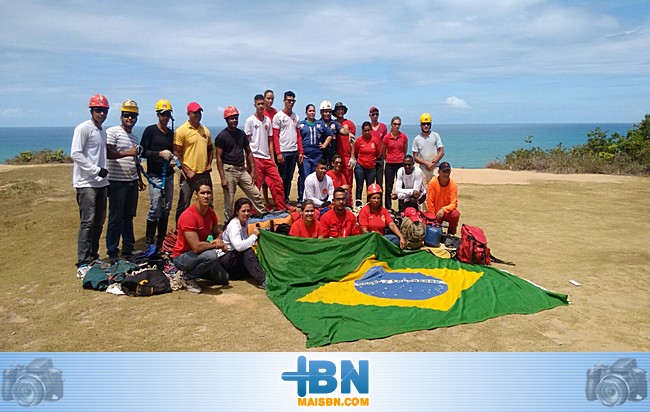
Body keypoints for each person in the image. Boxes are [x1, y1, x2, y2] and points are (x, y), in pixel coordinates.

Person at [71, 94, 110, 278]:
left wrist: (104, 175)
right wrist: (95, 170)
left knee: (99, 220)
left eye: (103, 110)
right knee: (87, 222)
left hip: (102, 183)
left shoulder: (102, 131)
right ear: (91, 111)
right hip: (86, 183)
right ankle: (83, 262)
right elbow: (76, 154)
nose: (101, 113)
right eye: (98, 110)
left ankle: (93, 256)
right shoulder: (83, 129)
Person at [105, 99, 146, 261]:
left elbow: (135, 161)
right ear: (121, 116)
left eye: (133, 116)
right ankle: (113, 252)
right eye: (127, 115)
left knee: (129, 216)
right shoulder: (113, 132)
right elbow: (109, 153)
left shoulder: (134, 138)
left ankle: (128, 248)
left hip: (131, 181)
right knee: (115, 217)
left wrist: (139, 179)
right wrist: (129, 153)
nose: (130, 119)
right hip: (116, 182)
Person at [172, 184, 229, 294]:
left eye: (208, 193)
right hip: (182, 256)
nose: (206, 196)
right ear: (196, 195)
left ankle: (197, 271)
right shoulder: (188, 216)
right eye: (202, 193)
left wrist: (218, 240)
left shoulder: (211, 213)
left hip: (201, 253)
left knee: (224, 278)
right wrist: (216, 245)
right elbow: (196, 247)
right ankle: (187, 277)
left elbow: (217, 232)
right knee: (212, 256)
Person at [215, 106, 265, 220]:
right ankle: (228, 226)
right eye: (231, 118)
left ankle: (263, 218)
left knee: (255, 194)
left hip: (242, 170)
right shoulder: (222, 136)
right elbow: (218, 158)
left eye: (236, 118)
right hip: (229, 170)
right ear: (226, 120)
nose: (234, 121)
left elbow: (249, 152)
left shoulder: (241, 134)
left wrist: (252, 171)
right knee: (229, 201)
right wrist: (222, 178)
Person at [140, 99, 175, 251]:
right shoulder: (150, 131)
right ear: (158, 115)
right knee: (155, 208)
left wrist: (173, 159)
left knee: (166, 208)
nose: (165, 118)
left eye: (167, 115)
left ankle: (161, 241)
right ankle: (149, 241)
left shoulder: (171, 134)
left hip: (168, 175)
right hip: (155, 175)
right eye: (163, 114)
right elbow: (143, 152)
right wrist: (160, 154)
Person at [244, 94, 287, 212]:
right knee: (255, 186)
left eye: (262, 104)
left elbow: (270, 142)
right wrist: (248, 162)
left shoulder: (268, 120)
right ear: (255, 105)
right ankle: (253, 212)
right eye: (258, 104)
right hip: (255, 157)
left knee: (278, 182)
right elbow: (246, 144)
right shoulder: (250, 121)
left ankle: (281, 209)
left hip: (267, 157)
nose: (261, 106)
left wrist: (272, 160)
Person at [174, 101, 214, 224]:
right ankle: (179, 232)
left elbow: (210, 148)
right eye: (194, 112)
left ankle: (208, 230)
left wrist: (209, 164)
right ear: (188, 114)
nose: (197, 115)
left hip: (204, 173)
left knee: (208, 204)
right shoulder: (181, 130)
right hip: (189, 175)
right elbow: (176, 153)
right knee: (184, 204)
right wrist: (186, 170)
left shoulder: (205, 130)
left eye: (199, 112)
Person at [220, 198, 267, 289]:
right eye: (243, 211)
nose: (246, 213)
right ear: (237, 211)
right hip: (225, 258)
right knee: (248, 252)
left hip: (233, 257)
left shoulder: (244, 222)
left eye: (248, 211)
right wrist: (254, 236)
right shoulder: (234, 225)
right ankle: (262, 280)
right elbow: (239, 247)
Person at [272, 91, 303, 207]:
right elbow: (275, 136)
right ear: (284, 101)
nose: (291, 103)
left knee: (289, 178)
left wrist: (300, 151)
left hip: (293, 151)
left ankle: (285, 199)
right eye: (288, 100)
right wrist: (278, 153)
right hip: (283, 152)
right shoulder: (278, 117)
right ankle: (279, 200)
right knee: (281, 178)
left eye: (293, 101)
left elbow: (298, 135)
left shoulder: (296, 116)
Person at [298, 103, 332, 206]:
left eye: (313, 111)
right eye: (310, 111)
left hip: (317, 156)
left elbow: (330, 134)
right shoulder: (301, 125)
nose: (312, 113)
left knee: (318, 178)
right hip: (306, 157)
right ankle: (302, 200)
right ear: (306, 112)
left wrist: (325, 144)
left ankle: (315, 200)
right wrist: (300, 152)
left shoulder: (320, 124)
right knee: (304, 177)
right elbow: (298, 139)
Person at [358, 184, 406, 249]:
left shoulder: (383, 210)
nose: (376, 200)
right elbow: (364, 230)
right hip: (369, 239)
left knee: (396, 240)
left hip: (381, 237)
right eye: (374, 198)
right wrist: (373, 235)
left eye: (378, 198)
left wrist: (401, 237)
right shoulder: (364, 211)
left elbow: (391, 224)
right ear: (369, 199)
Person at [353, 121, 381, 210]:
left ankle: (370, 205)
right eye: (365, 131)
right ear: (362, 131)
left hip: (371, 167)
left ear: (371, 130)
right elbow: (356, 153)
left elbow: (378, 153)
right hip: (360, 166)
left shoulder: (375, 140)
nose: (367, 132)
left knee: (370, 187)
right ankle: (358, 205)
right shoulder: (359, 141)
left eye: (369, 130)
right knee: (359, 187)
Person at [426, 162, 460, 235]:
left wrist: (444, 210)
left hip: (446, 213)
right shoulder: (433, 183)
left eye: (448, 172)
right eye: (444, 172)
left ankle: (451, 234)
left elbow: (454, 203)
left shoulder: (453, 185)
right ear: (439, 172)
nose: (446, 174)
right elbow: (430, 201)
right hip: (435, 213)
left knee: (455, 214)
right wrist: (433, 216)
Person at [412, 112, 444, 191]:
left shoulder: (435, 135)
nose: (426, 126)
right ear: (421, 125)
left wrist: (432, 163)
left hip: (435, 168)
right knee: (424, 192)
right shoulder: (417, 139)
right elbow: (415, 157)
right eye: (424, 124)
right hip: (423, 169)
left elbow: (441, 151)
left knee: (436, 190)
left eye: (427, 124)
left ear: (430, 124)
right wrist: (426, 163)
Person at [382, 115, 408, 210]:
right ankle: (388, 207)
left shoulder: (403, 137)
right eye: (395, 124)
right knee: (389, 186)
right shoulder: (386, 137)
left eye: (398, 124)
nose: (396, 126)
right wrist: (388, 159)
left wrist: (401, 158)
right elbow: (383, 151)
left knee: (401, 186)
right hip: (389, 164)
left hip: (400, 164)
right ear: (391, 125)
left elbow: (404, 150)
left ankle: (401, 208)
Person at [261, 89, 278, 210]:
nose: (270, 101)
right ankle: (266, 201)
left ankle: (276, 200)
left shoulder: (275, 112)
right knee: (263, 180)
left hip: (273, 147)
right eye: (268, 98)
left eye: (272, 98)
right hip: (263, 148)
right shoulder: (261, 113)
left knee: (274, 177)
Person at [333, 101, 356, 191]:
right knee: (336, 179)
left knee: (348, 180)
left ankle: (349, 202)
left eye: (342, 109)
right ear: (335, 112)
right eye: (338, 109)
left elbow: (352, 141)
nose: (340, 111)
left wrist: (353, 156)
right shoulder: (333, 123)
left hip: (347, 156)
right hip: (336, 156)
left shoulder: (349, 124)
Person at [368, 106, 387, 187]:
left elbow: (386, 142)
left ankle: (380, 199)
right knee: (370, 182)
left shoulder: (383, 127)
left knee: (380, 182)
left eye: (377, 114)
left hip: (380, 158)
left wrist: (385, 155)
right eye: (373, 114)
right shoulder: (367, 127)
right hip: (370, 158)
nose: (375, 116)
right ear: (370, 115)